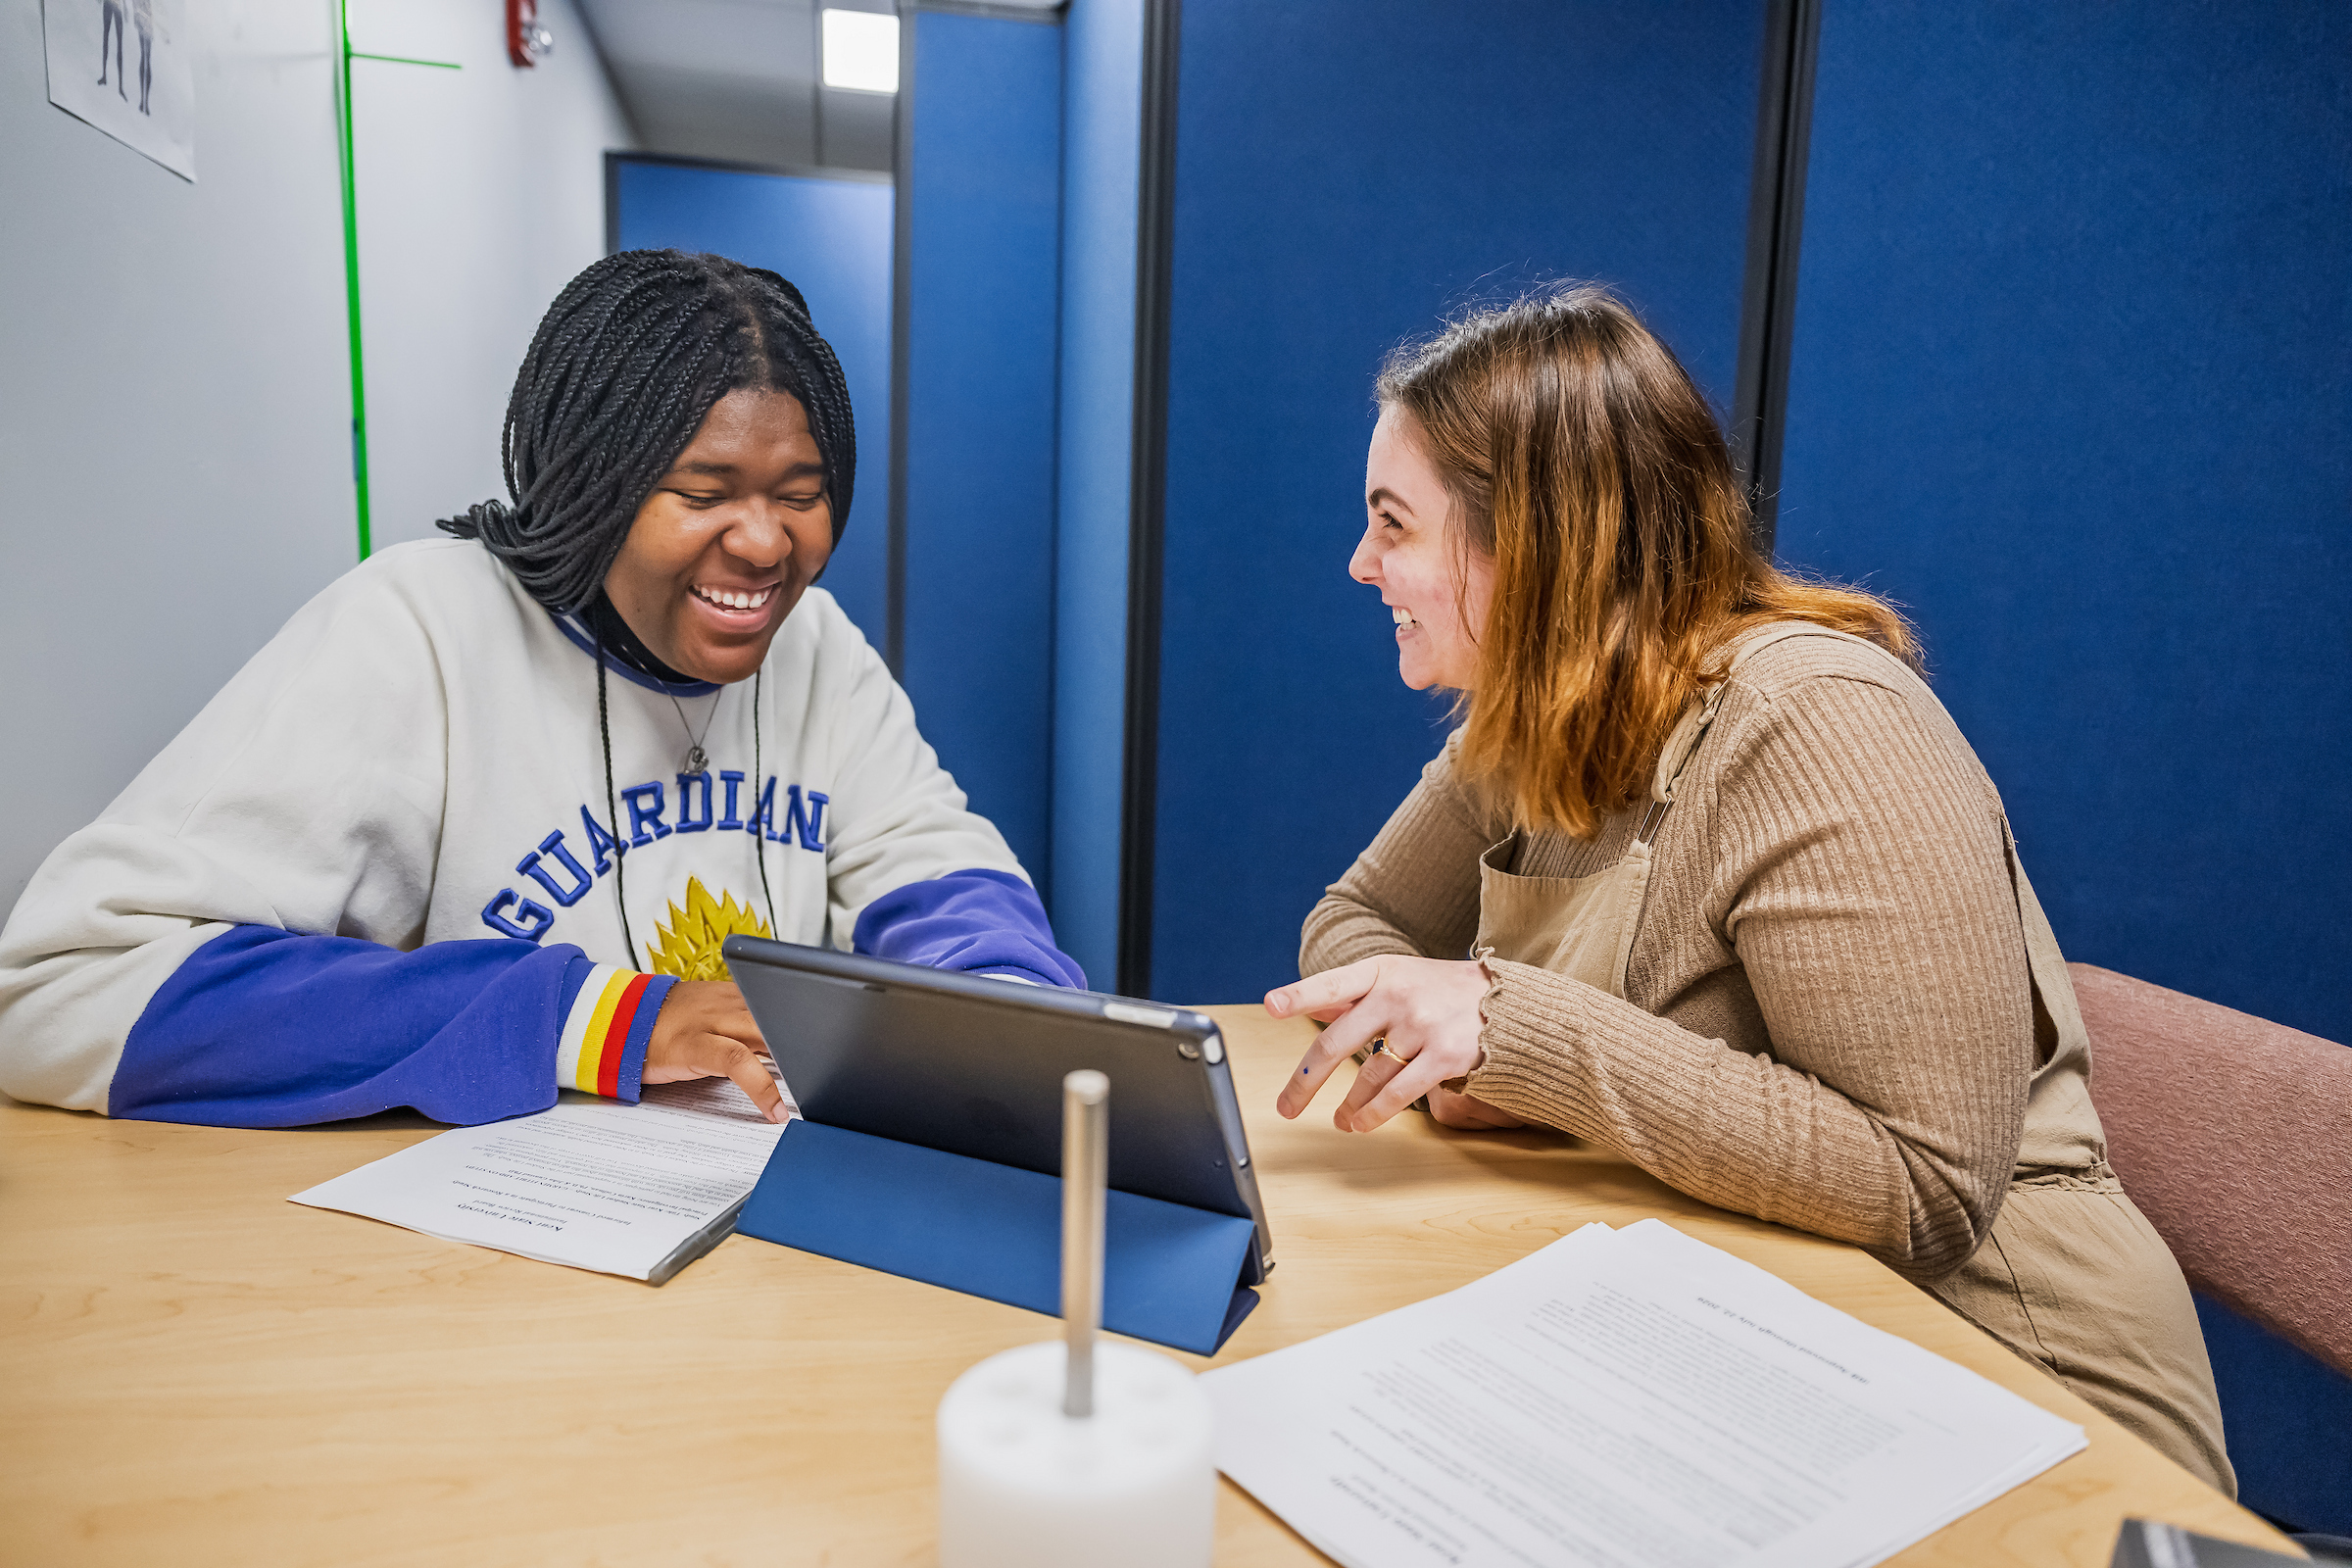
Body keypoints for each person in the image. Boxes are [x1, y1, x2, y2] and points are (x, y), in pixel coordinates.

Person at [1265, 285, 2232, 1492]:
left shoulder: (1815, 723)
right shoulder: (1526, 729)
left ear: (1538, 542)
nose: (1361, 564)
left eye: (1393, 524)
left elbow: (1923, 1184)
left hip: (2014, 1381)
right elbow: (1351, 933)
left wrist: (1520, 1034)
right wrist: (1480, 1059)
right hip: (1751, 1337)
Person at [0, 250, 1081, 1130]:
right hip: (473, 1288)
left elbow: (933, 869)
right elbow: (60, 989)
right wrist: (593, 1018)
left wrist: (1019, 1026)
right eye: (703, 494)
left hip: (752, 1244)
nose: (764, 544)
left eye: (800, 496)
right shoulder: (418, 626)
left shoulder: (817, 647)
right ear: (593, 482)